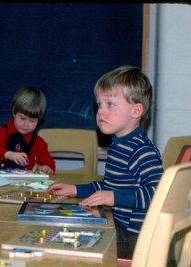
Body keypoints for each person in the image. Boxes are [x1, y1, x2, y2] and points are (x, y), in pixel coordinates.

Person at [47, 66, 163, 259]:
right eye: (99, 104)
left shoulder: (142, 150)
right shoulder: (119, 145)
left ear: (136, 110)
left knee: (67, 243)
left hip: (135, 240)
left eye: (110, 104)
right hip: (119, 228)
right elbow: (109, 186)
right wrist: (75, 189)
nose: (100, 112)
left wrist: (114, 197)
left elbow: (157, 193)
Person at [0, 86, 55, 174]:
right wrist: (10, 154)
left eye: (32, 121)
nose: (26, 124)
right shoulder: (3, 131)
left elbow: (49, 162)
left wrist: (47, 167)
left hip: (23, 183)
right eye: (22, 118)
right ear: (14, 113)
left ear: (39, 121)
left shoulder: (38, 142)